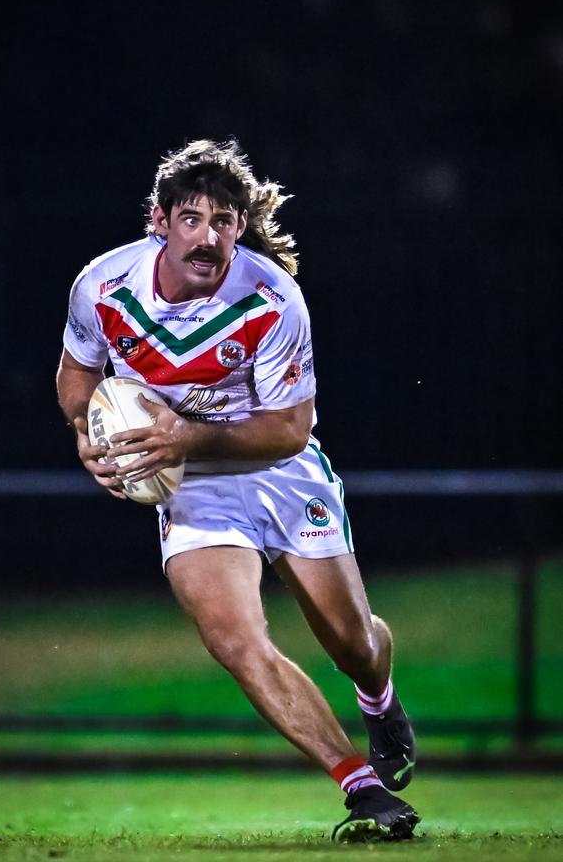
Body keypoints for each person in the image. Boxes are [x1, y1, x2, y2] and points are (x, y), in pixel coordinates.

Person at [56, 139, 419, 842]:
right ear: (158, 222)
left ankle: (378, 696)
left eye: (225, 220)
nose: (209, 235)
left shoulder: (272, 296)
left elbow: (289, 428)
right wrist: (85, 426)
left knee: (352, 642)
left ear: (242, 228)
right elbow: (77, 375)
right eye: (191, 218)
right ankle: (362, 786)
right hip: (193, 487)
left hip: (279, 470)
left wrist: (189, 435)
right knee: (234, 639)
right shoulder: (102, 286)